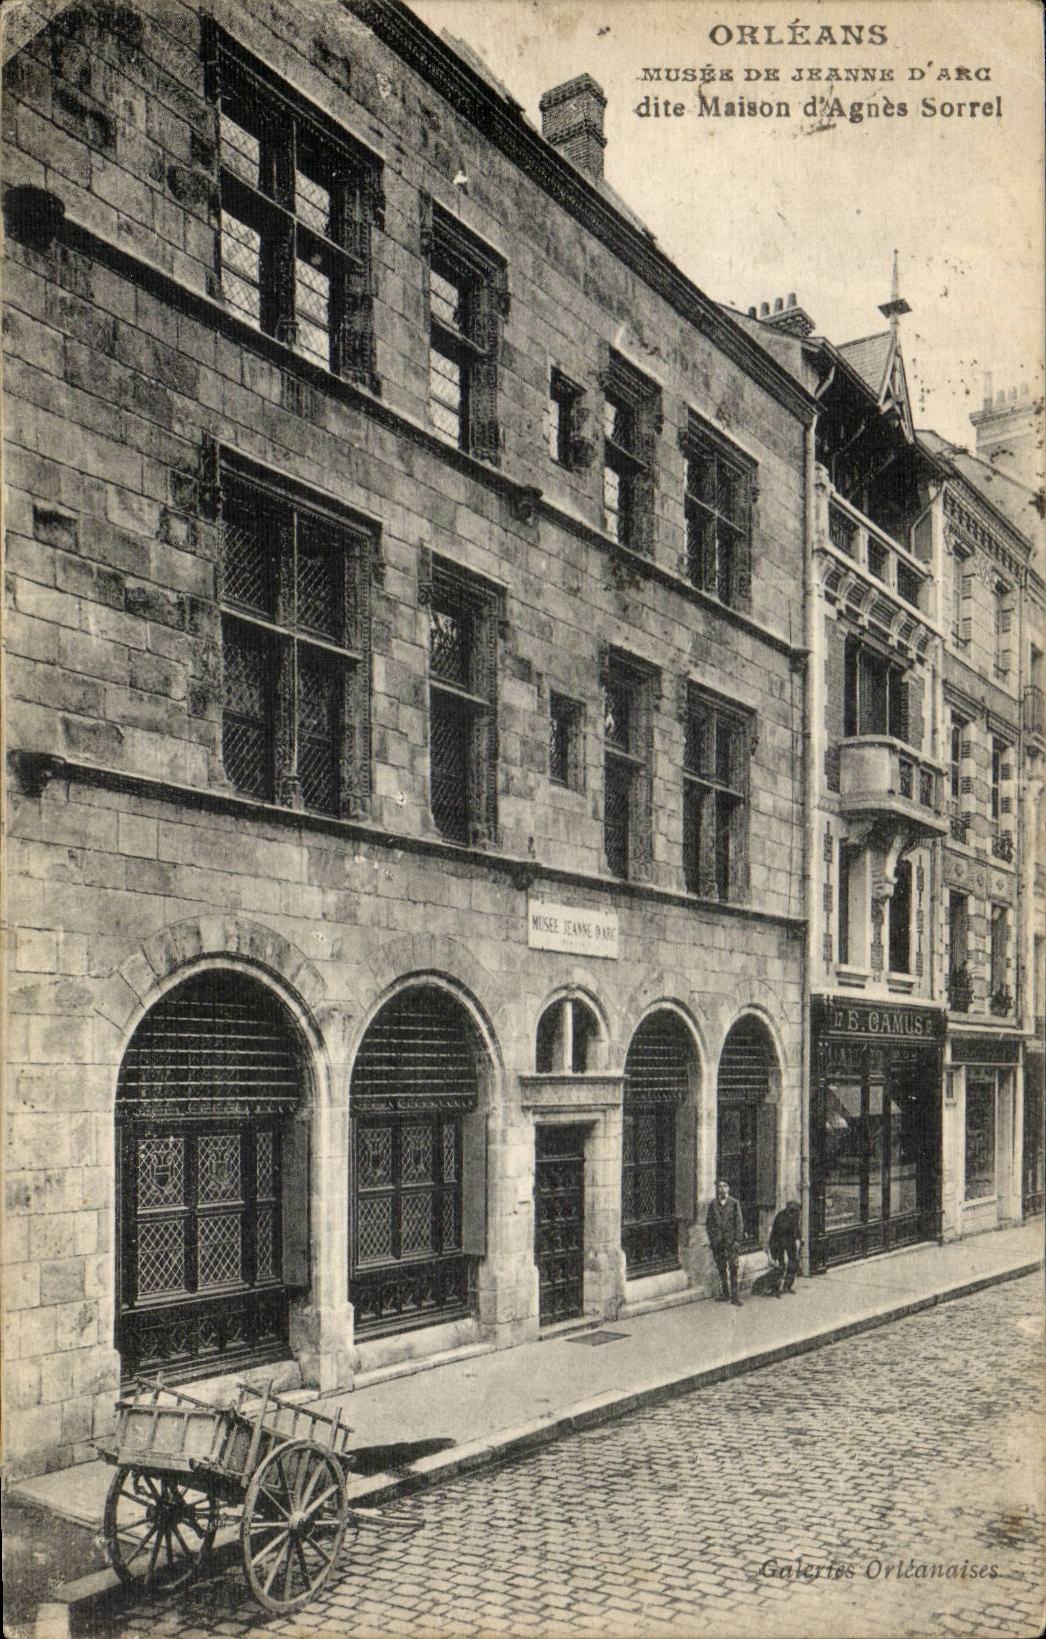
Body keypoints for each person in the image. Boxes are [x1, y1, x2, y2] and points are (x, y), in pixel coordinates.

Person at [706, 1177, 745, 1307]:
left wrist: (737, 1241)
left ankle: (735, 1297)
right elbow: (709, 1223)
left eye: (724, 1186)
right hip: (718, 1243)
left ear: (728, 1188)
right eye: (719, 1186)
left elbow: (739, 1223)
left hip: (731, 1242)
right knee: (721, 1268)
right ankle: (725, 1293)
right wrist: (712, 1239)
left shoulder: (734, 1203)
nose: (721, 1189)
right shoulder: (713, 1204)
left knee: (733, 1268)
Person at [768, 1199, 801, 1296]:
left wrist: (798, 1238)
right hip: (777, 1242)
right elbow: (778, 1233)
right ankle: (775, 1289)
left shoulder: (795, 1215)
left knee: (793, 1264)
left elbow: (796, 1228)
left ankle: (787, 1286)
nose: (794, 1214)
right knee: (779, 1266)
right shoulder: (781, 1216)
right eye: (792, 1211)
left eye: (795, 1212)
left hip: (789, 1241)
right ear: (788, 1210)